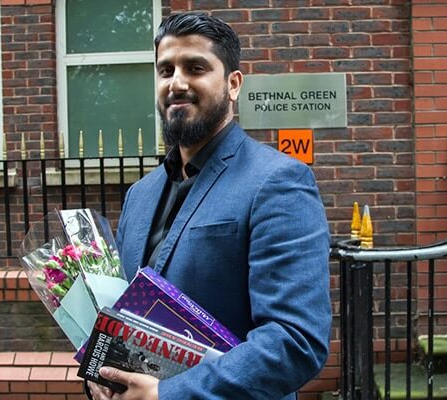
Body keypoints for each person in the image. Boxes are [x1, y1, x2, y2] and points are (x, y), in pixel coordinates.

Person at [86, 12, 331, 400]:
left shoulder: (278, 181)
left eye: (195, 68)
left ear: (233, 85)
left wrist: (168, 394)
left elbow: (295, 341)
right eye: (165, 70)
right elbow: (122, 314)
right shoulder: (140, 195)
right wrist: (100, 371)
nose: (176, 83)